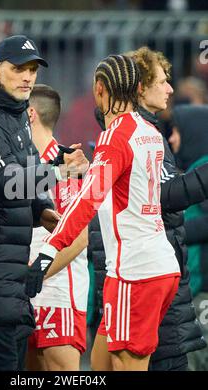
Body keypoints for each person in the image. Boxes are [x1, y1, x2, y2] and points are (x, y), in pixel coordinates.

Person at [26, 54, 181, 371]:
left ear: (99, 89)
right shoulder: (149, 133)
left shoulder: (114, 138)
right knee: (100, 365)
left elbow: (86, 203)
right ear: (138, 88)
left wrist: (45, 257)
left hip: (133, 274)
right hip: (157, 265)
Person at [0, 35, 89, 371]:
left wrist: (42, 211)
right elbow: (6, 182)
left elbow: (22, 173)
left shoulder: (15, 115)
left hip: (5, 271)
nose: (27, 77)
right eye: (18, 69)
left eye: (32, 70)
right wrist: (58, 170)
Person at [90, 47, 207, 371]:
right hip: (140, 276)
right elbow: (165, 196)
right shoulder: (137, 138)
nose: (170, 88)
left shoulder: (141, 135)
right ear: (140, 87)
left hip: (141, 277)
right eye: (162, 80)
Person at [26, 84, 89, 371]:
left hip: (57, 292)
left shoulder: (70, 166)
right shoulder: (23, 165)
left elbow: (79, 237)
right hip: (25, 292)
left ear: (29, 115)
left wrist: (35, 275)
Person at [170, 104, 208, 370]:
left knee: (196, 360)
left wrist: (175, 230)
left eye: (177, 131)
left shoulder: (204, 173)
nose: (171, 138)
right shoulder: (195, 172)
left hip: (203, 290)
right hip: (194, 287)